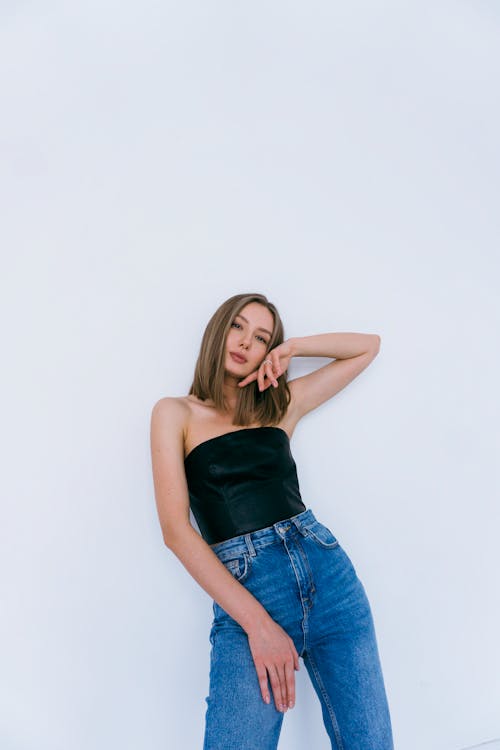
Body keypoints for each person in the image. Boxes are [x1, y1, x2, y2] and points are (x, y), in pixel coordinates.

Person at [150, 292, 394, 750]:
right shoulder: (175, 413)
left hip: (330, 581)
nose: (245, 342)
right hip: (248, 593)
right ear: (218, 330)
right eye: (238, 327)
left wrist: (293, 348)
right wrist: (259, 625)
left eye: (261, 337)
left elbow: (368, 346)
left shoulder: (280, 404)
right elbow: (176, 531)